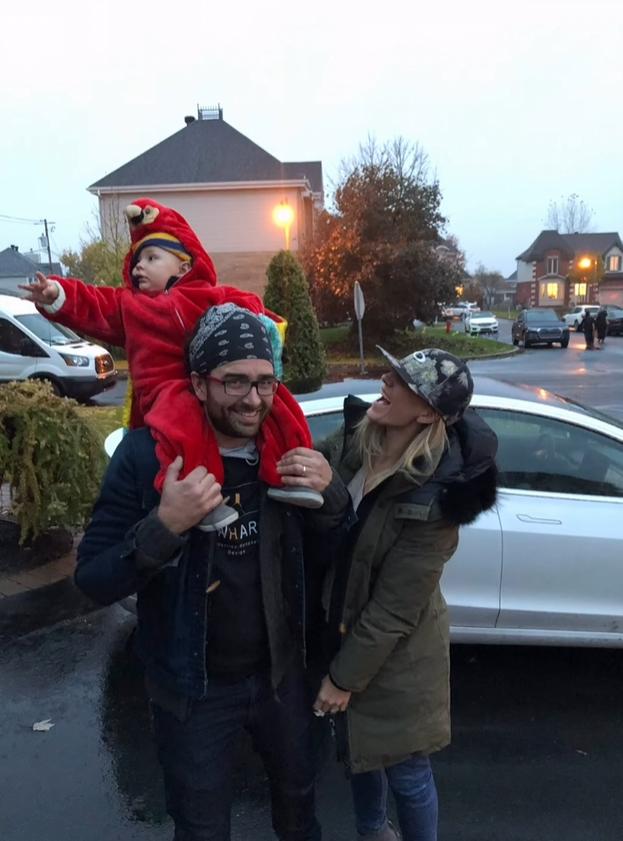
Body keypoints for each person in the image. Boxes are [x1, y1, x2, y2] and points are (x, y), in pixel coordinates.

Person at [75, 303, 352, 841]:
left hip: (282, 680)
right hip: (192, 691)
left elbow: (335, 558)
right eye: (235, 381)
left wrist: (334, 497)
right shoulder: (148, 458)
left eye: (265, 382)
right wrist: (165, 526)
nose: (253, 399)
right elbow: (93, 579)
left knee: (300, 813)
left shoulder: (287, 452)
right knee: (201, 827)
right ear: (200, 383)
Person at [21, 197, 322, 531]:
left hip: (212, 383)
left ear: (183, 266)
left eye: (152, 258)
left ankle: (291, 473)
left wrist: (268, 334)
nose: (139, 267)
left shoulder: (209, 295)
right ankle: (203, 499)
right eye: (137, 261)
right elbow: (95, 304)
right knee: (183, 427)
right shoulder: (130, 306)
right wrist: (58, 295)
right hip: (165, 391)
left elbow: (252, 309)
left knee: (280, 404)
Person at [313, 347, 498, 841]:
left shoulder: (436, 496)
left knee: (406, 770)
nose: (385, 382)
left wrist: (343, 678)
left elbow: (393, 610)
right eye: (391, 373)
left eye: (402, 382)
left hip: (400, 656)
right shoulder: (358, 440)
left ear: (427, 413)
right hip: (344, 626)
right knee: (360, 752)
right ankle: (373, 831)